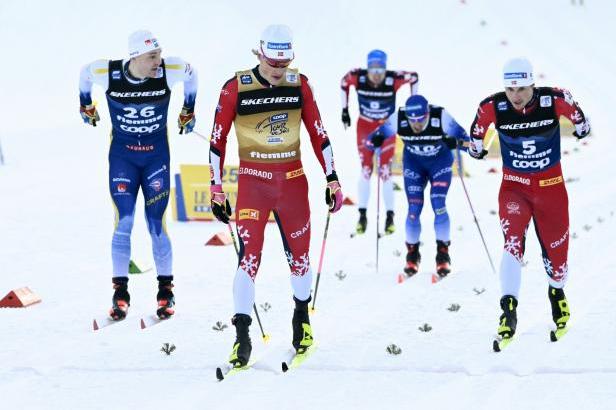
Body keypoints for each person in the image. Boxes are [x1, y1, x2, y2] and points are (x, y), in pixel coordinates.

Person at [208, 24, 343, 367]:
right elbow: (217, 140)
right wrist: (216, 187)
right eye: (272, 65)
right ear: (259, 53)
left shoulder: (300, 84)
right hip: (254, 183)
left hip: (293, 182)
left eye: (284, 65)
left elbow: (319, 133)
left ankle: (302, 321)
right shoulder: (235, 87)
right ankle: (241, 337)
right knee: (249, 258)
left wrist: (333, 179)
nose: (279, 71)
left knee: (300, 257)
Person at [79, 30, 198, 320]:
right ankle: (120, 294)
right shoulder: (108, 72)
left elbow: (192, 75)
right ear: (135, 57)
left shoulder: (169, 70)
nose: (158, 61)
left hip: (156, 156)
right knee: (124, 221)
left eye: (159, 54)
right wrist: (85, 103)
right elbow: (84, 73)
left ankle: (165, 292)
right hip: (123, 157)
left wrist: (188, 109)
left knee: (156, 223)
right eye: (151, 57)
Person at [469, 57, 590, 341]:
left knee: (557, 259)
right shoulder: (492, 106)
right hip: (515, 188)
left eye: (522, 88)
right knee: (512, 242)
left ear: (533, 84)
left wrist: (578, 123)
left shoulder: (554, 99)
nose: (516, 96)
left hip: (551, 188)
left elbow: (583, 125)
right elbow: (475, 141)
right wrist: (476, 149)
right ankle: (508, 308)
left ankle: (556, 291)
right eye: (510, 90)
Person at [373, 95, 469, 277]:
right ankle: (412, 254)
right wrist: (377, 139)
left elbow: (468, 141)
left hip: (439, 163)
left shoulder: (440, 115)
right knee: (414, 209)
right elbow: (375, 137)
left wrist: (456, 143)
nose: (416, 124)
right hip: (414, 164)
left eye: (421, 119)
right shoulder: (399, 117)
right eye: (413, 120)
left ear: (427, 114)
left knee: (439, 205)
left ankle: (442, 255)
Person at [340, 50, 419, 235]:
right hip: (365, 128)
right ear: (367, 68)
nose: (376, 74)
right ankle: (362, 215)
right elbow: (344, 82)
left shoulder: (393, 79)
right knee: (366, 170)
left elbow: (414, 78)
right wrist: (344, 110)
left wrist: (412, 105)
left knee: (385, 172)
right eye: (373, 70)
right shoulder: (357, 76)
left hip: (387, 127)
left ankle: (390, 216)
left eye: (380, 70)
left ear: (385, 69)